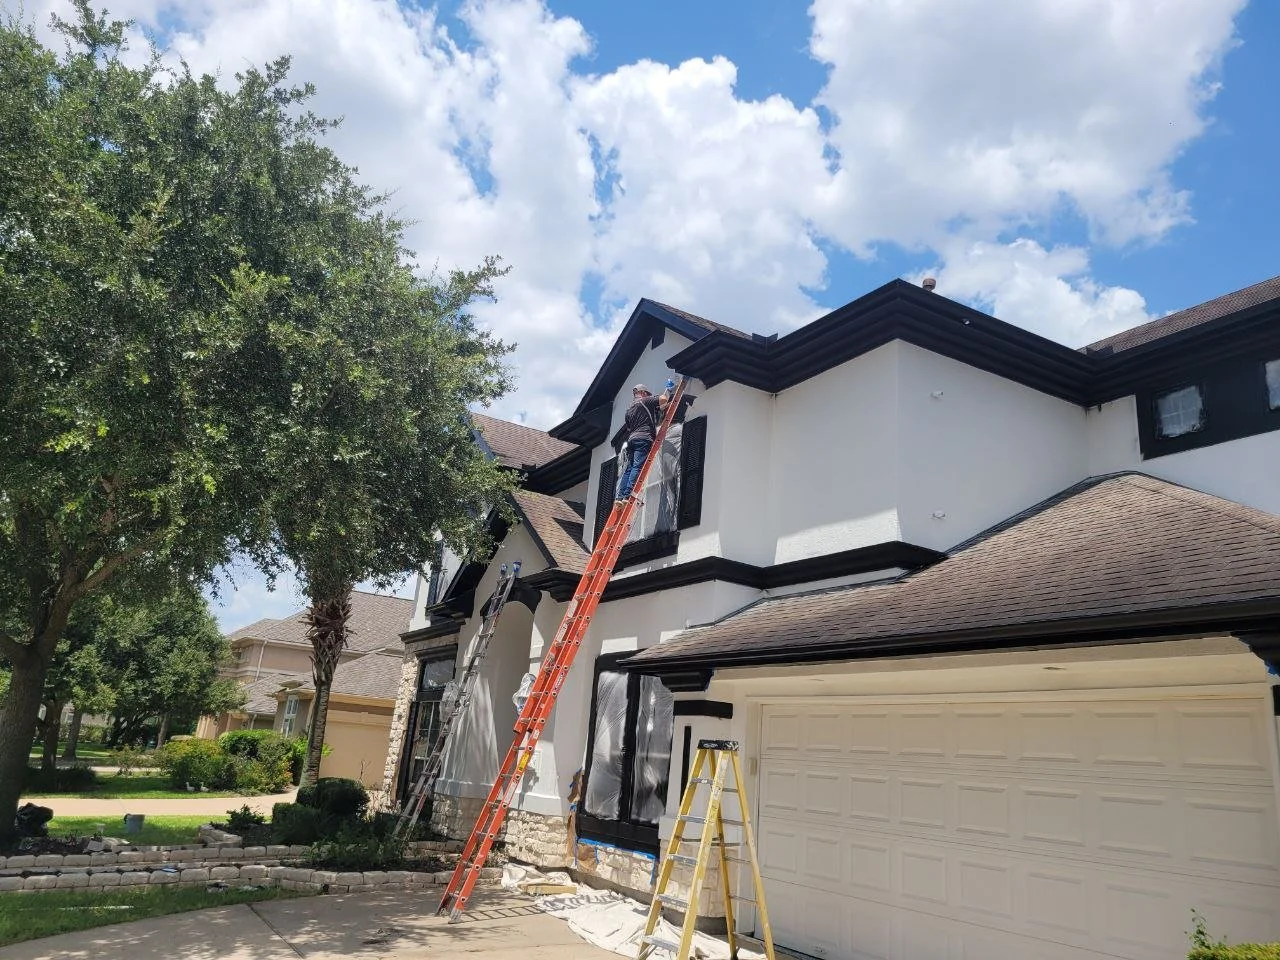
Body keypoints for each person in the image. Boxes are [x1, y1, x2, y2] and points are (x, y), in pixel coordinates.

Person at [616, 382, 671, 501]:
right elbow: (663, 398)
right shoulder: (645, 401)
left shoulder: (629, 409)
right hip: (644, 437)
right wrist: (668, 391)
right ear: (642, 393)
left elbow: (629, 428)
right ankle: (628, 494)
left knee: (629, 468)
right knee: (637, 466)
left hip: (631, 439)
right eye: (646, 393)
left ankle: (620, 497)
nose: (647, 395)